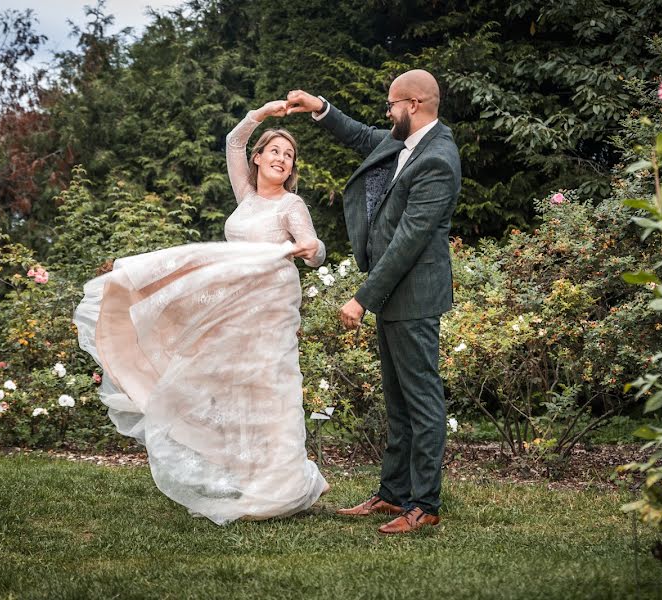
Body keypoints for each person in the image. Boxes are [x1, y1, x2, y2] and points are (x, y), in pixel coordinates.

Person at [73, 100, 329, 525]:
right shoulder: (245, 196)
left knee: (269, 385)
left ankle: (284, 485)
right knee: (232, 386)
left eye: (289, 155)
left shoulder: (291, 206)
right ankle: (250, 475)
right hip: (232, 302)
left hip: (271, 305)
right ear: (259, 158)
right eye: (275, 151)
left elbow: (316, 252)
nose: (282, 159)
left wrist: (312, 249)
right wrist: (262, 114)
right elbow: (233, 141)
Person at [286, 69, 461, 534]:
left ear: (415, 104)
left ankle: (424, 504)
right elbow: (363, 136)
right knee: (399, 401)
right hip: (394, 296)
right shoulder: (406, 143)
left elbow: (409, 240)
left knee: (422, 402)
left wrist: (361, 298)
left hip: (414, 296)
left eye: (391, 105)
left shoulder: (438, 159)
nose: (387, 114)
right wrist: (319, 106)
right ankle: (392, 494)